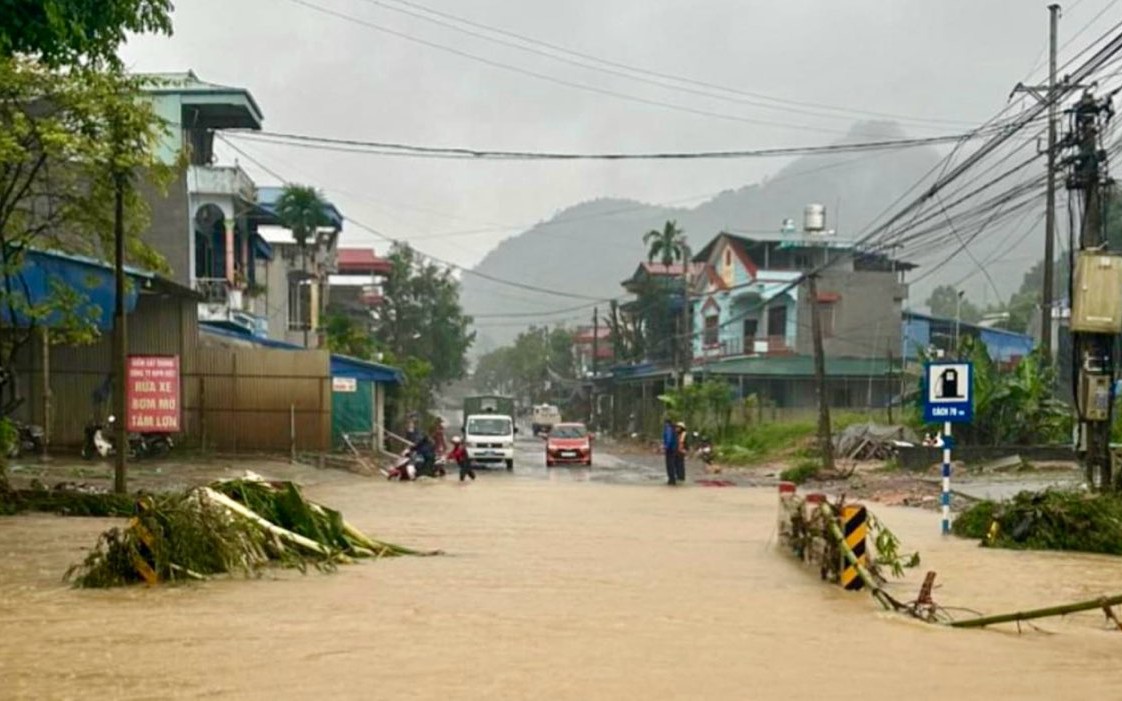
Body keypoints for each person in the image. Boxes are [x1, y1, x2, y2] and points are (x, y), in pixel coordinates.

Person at [662, 418, 679, 486]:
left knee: (669, 464)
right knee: (671, 464)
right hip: (673, 448)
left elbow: (668, 439)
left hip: (670, 449)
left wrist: (666, 446)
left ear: (667, 423)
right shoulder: (673, 429)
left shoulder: (668, 429)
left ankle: (671, 479)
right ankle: (672, 479)